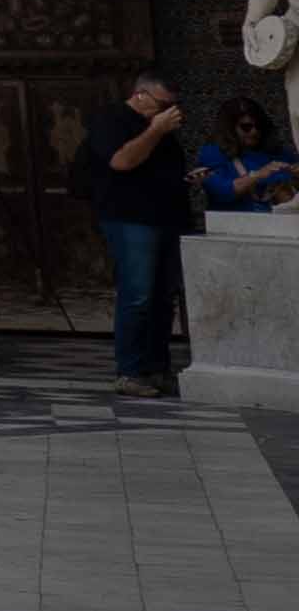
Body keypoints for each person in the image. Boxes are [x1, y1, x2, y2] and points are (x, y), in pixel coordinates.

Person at [85, 71, 195, 396]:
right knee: (138, 294)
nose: (169, 112)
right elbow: (122, 161)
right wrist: (155, 130)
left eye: (173, 106)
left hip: (167, 217)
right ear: (140, 96)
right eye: (163, 104)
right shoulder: (111, 120)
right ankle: (130, 371)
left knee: (163, 297)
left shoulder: (163, 129)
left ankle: (156, 367)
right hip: (131, 219)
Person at [198, 98, 297, 214]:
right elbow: (220, 191)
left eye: (259, 126)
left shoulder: (278, 152)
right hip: (234, 225)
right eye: (246, 127)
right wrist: (257, 175)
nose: (254, 131)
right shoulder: (213, 153)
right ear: (230, 128)